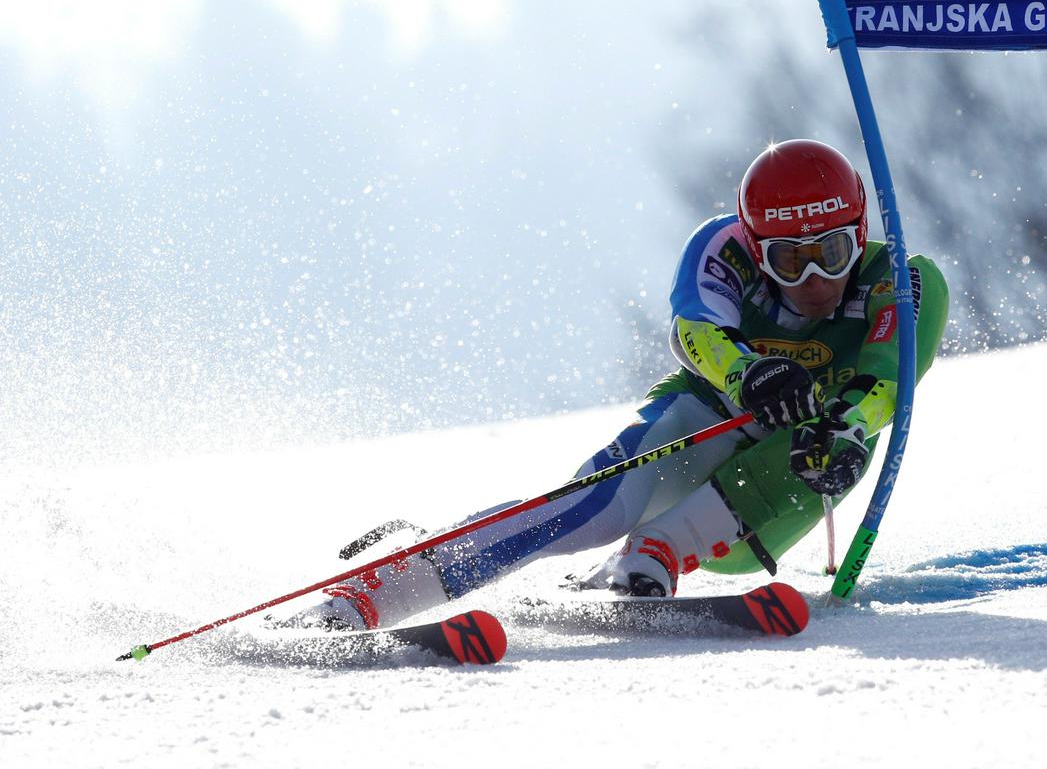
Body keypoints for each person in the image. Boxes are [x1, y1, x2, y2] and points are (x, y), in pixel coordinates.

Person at [283, 138, 949, 631]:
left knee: (827, 437)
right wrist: (748, 373)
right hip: (704, 423)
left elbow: (890, 378)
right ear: (755, 245)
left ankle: (655, 554)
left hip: (776, 494)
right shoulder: (721, 246)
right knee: (592, 506)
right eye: (787, 261)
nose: (812, 282)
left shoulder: (904, 278)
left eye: (828, 255)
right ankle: (377, 589)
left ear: (856, 235)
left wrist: (851, 421)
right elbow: (693, 332)